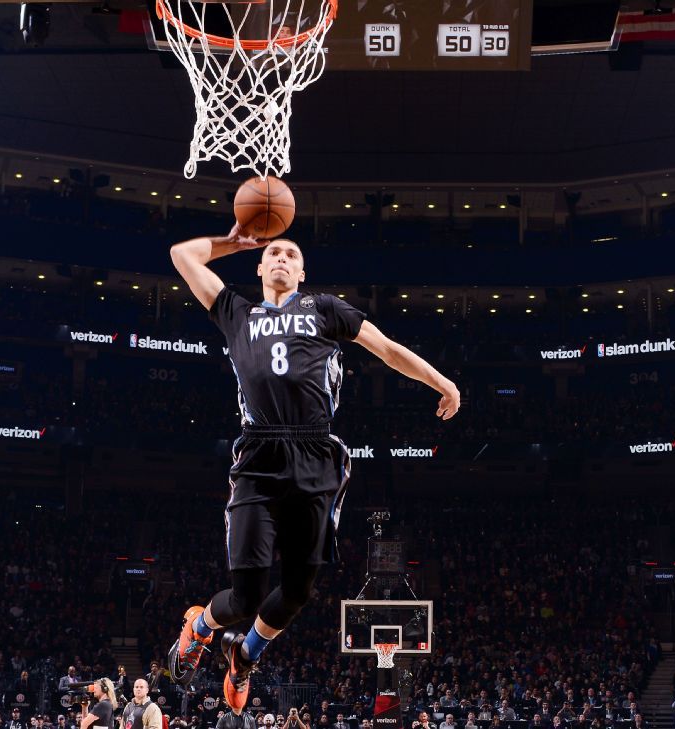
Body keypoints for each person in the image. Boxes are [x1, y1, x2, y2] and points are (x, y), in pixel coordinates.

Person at [166, 228, 461, 714]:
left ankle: (243, 658)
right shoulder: (237, 311)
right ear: (260, 269)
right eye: (273, 253)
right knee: (246, 597)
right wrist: (238, 241)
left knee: (300, 590)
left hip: (315, 454)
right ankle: (199, 628)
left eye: (291, 254)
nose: (281, 257)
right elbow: (183, 254)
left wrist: (441, 381)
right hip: (259, 457)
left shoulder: (323, 308)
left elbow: (385, 347)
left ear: (302, 273)